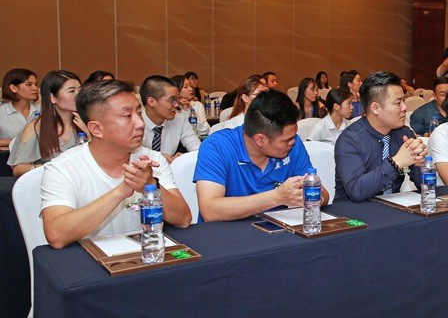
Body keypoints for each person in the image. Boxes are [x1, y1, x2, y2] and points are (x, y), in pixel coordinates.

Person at [40, 80, 191, 248]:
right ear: (96, 129)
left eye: (139, 113)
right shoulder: (63, 168)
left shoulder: (151, 160)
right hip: (89, 259)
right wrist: (120, 192)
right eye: (127, 116)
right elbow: (57, 236)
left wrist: (151, 185)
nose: (140, 124)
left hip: (145, 254)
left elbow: (183, 219)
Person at [194, 90, 326, 221]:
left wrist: (316, 198)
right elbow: (210, 211)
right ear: (260, 140)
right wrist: (277, 197)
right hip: (226, 230)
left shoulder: (294, 145)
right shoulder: (217, 147)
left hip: (276, 228)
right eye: (286, 140)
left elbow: (322, 194)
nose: (293, 142)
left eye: (294, 136)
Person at [334, 71, 425, 202]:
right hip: (353, 211)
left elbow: (425, 187)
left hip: (393, 206)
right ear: (375, 108)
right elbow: (356, 191)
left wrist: (420, 165)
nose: (405, 107)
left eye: (404, 101)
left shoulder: (404, 134)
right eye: (398, 102)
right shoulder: (350, 140)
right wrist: (396, 162)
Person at [9, 70, 88, 177]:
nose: (78, 95)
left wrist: (89, 133)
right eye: (71, 91)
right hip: (48, 181)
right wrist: (48, 167)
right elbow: (18, 168)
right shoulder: (36, 127)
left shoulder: (87, 123)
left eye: (80, 90)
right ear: (52, 98)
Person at [139, 75, 201, 162]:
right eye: (172, 100)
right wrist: (159, 158)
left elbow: (198, 150)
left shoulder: (179, 120)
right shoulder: (133, 123)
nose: (176, 105)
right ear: (151, 101)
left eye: (177, 99)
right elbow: (128, 154)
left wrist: (184, 158)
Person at [1, 68, 40, 147]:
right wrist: (16, 141)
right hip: (9, 154)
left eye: (36, 84)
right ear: (13, 88)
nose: (35, 88)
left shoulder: (43, 110)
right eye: (29, 84)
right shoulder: (2, 112)